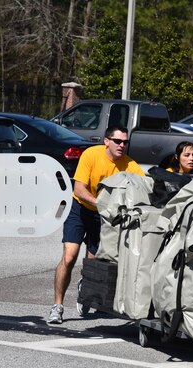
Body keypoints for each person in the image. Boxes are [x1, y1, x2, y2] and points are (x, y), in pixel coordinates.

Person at [49, 125, 145, 324]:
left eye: (125, 142)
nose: (121, 145)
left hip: (102, 217)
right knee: (69, 257)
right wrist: (104, 203)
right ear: (106, 141)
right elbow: (80, 188)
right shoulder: (91, 155)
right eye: (117, 141)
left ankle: (85, 286)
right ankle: (57, 306)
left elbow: (144, 186)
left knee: (91, 262)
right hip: (80, 208)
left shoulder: (129, 164)